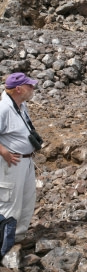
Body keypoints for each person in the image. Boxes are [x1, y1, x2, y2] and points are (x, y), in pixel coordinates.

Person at [0, 73, 40, 243]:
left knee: (27, 199)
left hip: (26, 160)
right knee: (10, 203)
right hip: (12, 162)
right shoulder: (3, 109)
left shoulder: (21, 106)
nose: (32, 89)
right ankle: (4, 243)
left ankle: (17, 239)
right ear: (18, 89)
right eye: (29, 86)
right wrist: (3, 152)